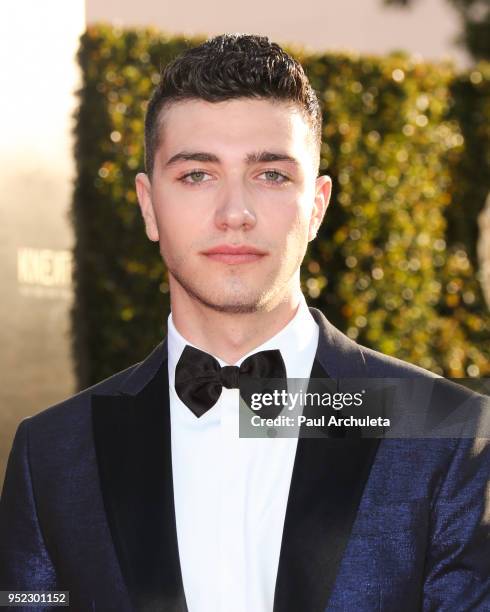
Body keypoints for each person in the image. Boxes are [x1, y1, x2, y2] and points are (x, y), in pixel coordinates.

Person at [0, 34, 489, 612]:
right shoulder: (53, 453)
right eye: (197, 176)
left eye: (272, 175)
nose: (235, 214)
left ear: (318, 204)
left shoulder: (445, 432)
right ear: (149, 204)